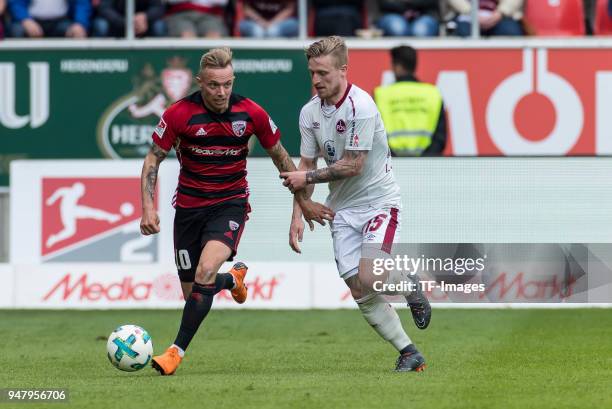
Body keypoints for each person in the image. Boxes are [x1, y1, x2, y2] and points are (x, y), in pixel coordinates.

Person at [140, 47, 333, 376]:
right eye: (214, 85)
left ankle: (174, 352)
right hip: (188, 208)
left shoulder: (251, 113)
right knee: (194, 293)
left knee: (203, 274)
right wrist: (148, 208)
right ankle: (232, 279)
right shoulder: (178, 114)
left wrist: (303, 203)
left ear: (233, 81)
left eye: (227, 84)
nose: (221, 92)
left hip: (230, 204)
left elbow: (283, 160)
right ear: (201, 82)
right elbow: (152, 160)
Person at [280, 36, 431, 372]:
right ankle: (409, 352)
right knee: (358, 288)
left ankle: (409, 286)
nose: (316, 80)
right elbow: (304, 166)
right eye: (312, 73)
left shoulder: (361, 106)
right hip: (342, 210)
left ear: (343, 70)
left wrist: (306, 181)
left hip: (379, 203)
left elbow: (353, 165)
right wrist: (299, 213)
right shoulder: (309, 113)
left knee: (372, 276)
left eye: (323, 72)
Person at [374, 45, 447, 157]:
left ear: (397, 66)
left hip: (391, 167)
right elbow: (440, 139)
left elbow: (376, 137)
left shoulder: (381, 95)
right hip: (426, 167)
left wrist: (394, 159)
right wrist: (423, 161)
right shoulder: (433, 94)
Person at [8, 0, 91, 38]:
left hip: (61, 21)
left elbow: (82, 3)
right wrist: (25, 19)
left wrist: (80, 23)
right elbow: (16, 3)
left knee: (76, 33)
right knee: (17, 30)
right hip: (32, 20)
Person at [447, 0, 524, 37]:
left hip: (500, 15)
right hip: (466, 14)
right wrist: (471, 12)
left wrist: (500, 13)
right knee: (463, 32)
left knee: (511, 32)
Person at [92, 0, 167, 38]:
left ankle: (157, 60)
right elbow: (104, 8)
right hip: (117, 24)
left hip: (143, 25)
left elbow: (158, 7)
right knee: (101, 25)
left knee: (159, 26)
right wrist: (125, 22)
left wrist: (145, 17)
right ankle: (103, 59)